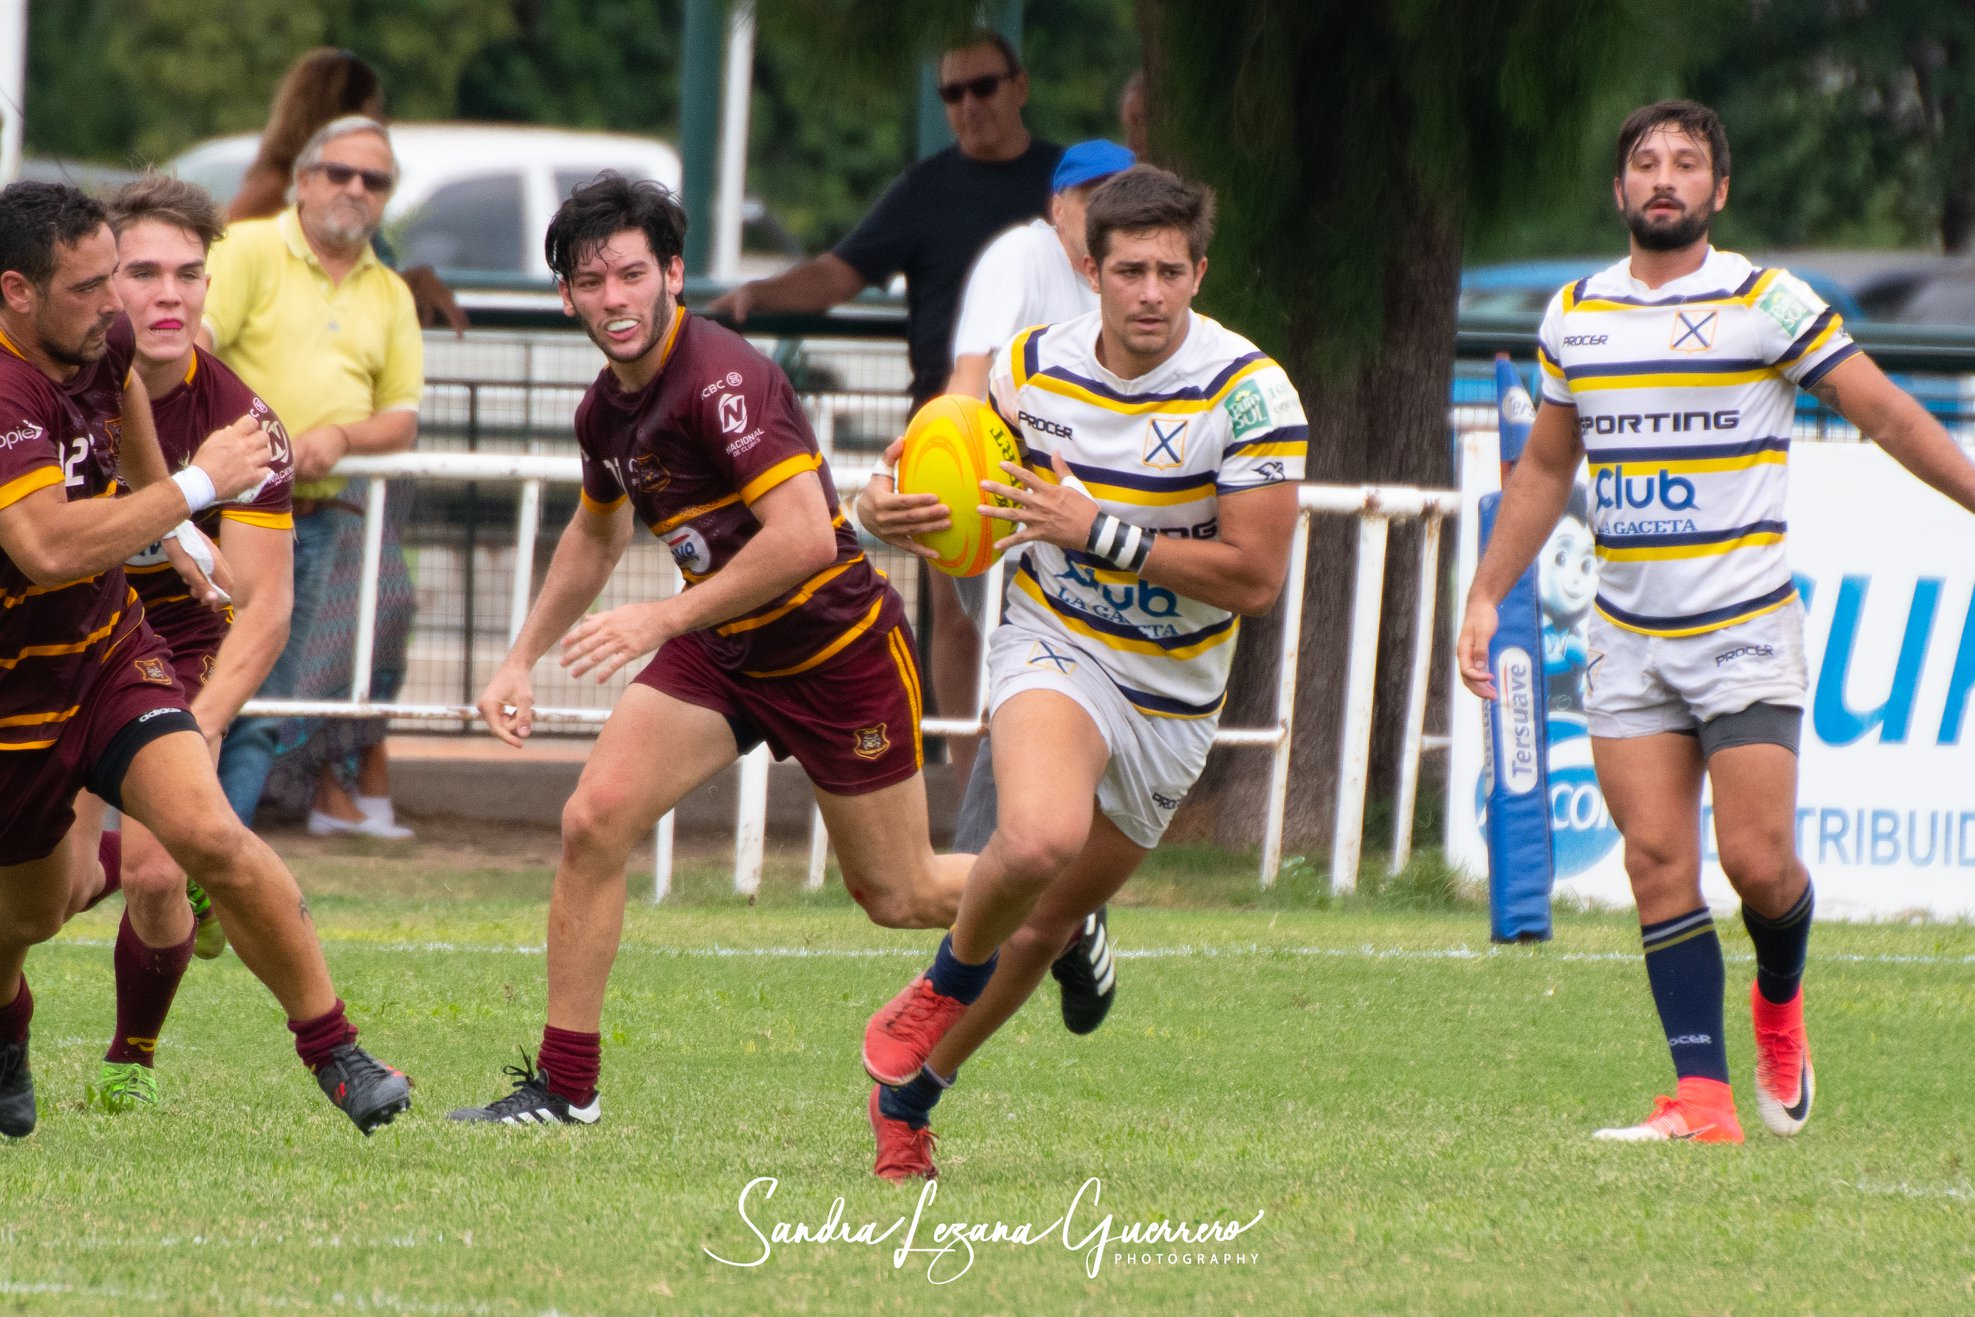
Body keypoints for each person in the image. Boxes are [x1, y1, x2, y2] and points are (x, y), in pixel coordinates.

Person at [1456, 99, 1975, 1144]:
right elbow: (1548, 465)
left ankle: (1778, 1002)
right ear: (1618, 191)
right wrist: (1484, 591)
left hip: (1741, 623)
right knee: (1654, 860)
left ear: (1718, 191)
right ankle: (1701, 1103)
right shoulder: (1575, 314)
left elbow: (1883, 412)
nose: (1663, 178)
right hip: (1625, 635)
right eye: (1644, 162)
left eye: (1686, 164)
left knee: (1756, 862)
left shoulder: (1766, 303)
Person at [448, 174, 979, 1127]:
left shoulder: (723, 377)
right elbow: (596, 533)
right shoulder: (602, 412)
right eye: (590, 280)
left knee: (900, 894)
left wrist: (655, 621)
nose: (613, 298)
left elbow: (805, 538)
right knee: (593, 819)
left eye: (631, 273)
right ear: (565, 295)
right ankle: (565, 1090)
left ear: (674, 274)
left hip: (832, 646)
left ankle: (1053, 897)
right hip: (724, 648)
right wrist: (517, 656)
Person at [859, 166, 1309, 1179]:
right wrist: (873, 509)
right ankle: (939, 983)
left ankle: (913, 1093)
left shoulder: (1250, 395)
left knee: (1050, 920)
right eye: (1127, 271)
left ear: (1200, 272)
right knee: (1036, 837)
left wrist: (1098, 530)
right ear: (1089, 270)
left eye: (1168, 271)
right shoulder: (1026, 368)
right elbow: (926, 460)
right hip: (1056, 640)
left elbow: (1255, 577)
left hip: (1175, 694)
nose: (1148, 293)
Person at [0, 181, 409, 1137]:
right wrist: (197, 484)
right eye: (97, 285)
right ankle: (8, 1033)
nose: (120, 305)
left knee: (206, 836)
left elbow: (128, 416)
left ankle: (336, 1049)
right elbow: (47, 547)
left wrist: (179, 525)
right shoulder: (6, 388)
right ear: (16, 291)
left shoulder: (99, 344)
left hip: (108, 654)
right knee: (27, 917)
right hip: (14, 688)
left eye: (128, 277)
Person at [709, 31, 1061, 792]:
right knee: (955, 602)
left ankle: (1050, 772)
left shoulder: (1066, 184)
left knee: (1055, 598)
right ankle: (970, 778)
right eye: (951, 94)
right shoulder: (926, 186)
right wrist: (758, 295)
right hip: (947, 422)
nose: (968, 105)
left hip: (1057, 419)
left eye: (984, 87)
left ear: (1020, 86)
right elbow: (840, 272)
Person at [854, 139, 1137, 1032]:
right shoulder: (1019, 257)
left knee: (1062, 735)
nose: (1099, 209)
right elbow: (965, 390)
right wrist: (933, 489)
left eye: (1116, 195)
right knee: (1020, 699)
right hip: (1013, 527)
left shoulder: (1140, 291)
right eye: (1086, 194)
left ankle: (1054, 901)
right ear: (1055, 208)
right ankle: (1025, 891)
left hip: (1105, 549)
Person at [52, 173, 300, 1113]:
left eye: (189, 274)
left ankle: (130, 1062)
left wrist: (194, 727)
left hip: (181, 645)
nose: (168, 295)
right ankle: (207, 867)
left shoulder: (247, 424)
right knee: (61, 886)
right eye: (142, 271)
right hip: (69, 629)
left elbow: (260, 608)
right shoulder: (47, 383)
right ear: (99, 281)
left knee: (156, 864)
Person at [204, 115, 424, 839]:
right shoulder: (248, 250)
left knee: (266, 697)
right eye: (340, 173)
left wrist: (337, 436)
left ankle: (216, 851)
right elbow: (194, 350)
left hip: (320, 517)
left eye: (375, 180)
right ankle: (183, 842)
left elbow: (400, 418)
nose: (357, 189)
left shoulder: (389, 291)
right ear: (303, 180)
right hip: (225, 511)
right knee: (197, 687)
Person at [230, 46, 466, 334]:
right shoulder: (268, 197)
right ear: (343, 118)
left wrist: (406, 285)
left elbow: (347, 287)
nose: (383, 124)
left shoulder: (350, 201)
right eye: (375, 111)